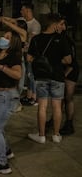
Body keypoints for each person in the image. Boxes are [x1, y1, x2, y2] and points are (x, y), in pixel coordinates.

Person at [27, 14, 71, 144]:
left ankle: (41, 136)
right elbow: (68, 60)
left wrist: (40, 61)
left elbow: (29, 58)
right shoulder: (61, 39)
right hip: (57, 76)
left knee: (42, 106)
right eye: (59, 23)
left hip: (41, 76)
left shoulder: (36, 39)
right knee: (57, 107)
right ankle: (56, 135)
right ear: (54, 24)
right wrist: (57, 61)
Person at [0, 30, 22, 174]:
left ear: (13, 41)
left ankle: (3, 164)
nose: (3, 38)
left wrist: (2, 67)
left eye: (7, 37)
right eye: (4, 36)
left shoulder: (13, 56)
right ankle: (6, 151)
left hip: (7, 95)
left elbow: (17, 74)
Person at [58, 21, 79, 135]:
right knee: (59, 98)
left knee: (68, 98)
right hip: (63, 70)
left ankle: (69, 124)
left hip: (70, 70)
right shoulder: (58, 38)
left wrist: (64, 75)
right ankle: (56, 119)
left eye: (62, 24)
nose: (59, 26)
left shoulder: (66, 40)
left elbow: (71, 62)